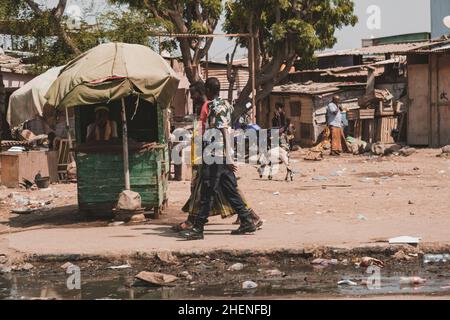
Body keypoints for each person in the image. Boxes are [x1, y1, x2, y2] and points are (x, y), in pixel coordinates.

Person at [173, 81, 262, 232]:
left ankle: (196, 225)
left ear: (205, 90)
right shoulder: (220, 105)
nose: (192, 97)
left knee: (207, 189)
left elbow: (223, 130)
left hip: (215, 154)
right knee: (227, 188)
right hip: (214, 153)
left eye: (193, 93)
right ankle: (247, 218)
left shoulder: (212, 106)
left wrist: (228, 156)